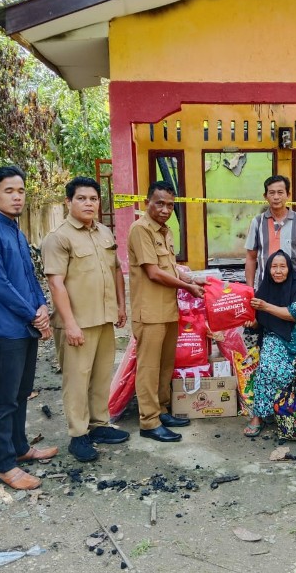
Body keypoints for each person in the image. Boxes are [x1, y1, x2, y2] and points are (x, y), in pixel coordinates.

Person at [0, 166, 58, 491]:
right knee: (5, 398)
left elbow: (28, 277)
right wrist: (33, 314)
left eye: (20, 190)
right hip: (5, 329)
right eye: (9, 191)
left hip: (26, 326)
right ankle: (6, 464)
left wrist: (43, 307)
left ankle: (20, 448)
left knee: (22, 392)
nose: (17, 196)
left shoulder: (16, 232)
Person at [42, 177, 129, 463]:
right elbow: (56, 283)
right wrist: (69, 323)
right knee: (77, 380)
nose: (89, 203)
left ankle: (99, 425)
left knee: (102, 375)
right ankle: (78, 435)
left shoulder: (104, 232)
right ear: (68, 202)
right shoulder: (59, 237)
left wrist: (120, 306)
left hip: (103, 318)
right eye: (81, 198)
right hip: (77, 322)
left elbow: (116, 270)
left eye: (93, 198)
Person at [128, 181, 205, 442]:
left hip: (169, 310)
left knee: (165, 365)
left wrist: (191, 278)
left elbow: (169, 267)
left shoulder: (165, 231)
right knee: (148, 367)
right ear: (147, 202)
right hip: (149, 312)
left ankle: (161, 410)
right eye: (159, 203)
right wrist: (187, 285)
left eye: (170, 205)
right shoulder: (140, 230)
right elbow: (153, 272)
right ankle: (148, 422)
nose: (165, 209)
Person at [243, 250, 296, 436]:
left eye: (282, 266)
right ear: (268, 269)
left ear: (289, 268)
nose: (278, 271)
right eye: (274, 266)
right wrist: (251, 321)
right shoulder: (265, 288)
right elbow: (258, 320)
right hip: (275, 335)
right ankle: (260, 415)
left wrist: (265, 306)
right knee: (269, 367)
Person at [245, 175, 296, 290]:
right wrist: (249, 289)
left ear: (288, 195)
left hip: (295, 289)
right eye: (272, 193)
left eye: (280, 192)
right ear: (265, 196)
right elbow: (251, 258)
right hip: (265, 289)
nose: (276, 197)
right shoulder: (257, 222)